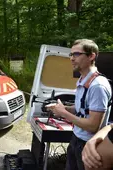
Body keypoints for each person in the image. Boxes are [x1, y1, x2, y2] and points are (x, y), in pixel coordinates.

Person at [46, 39, 112, 170]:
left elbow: (93, 126)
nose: (71, 58)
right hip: (76, 139)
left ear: (91, 56)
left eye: (76, 54)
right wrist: (64, 109)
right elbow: (83, 110)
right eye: (71, 55)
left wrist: (63, 113)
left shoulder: (97, 85)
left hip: (88, 146)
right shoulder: (83, 80)